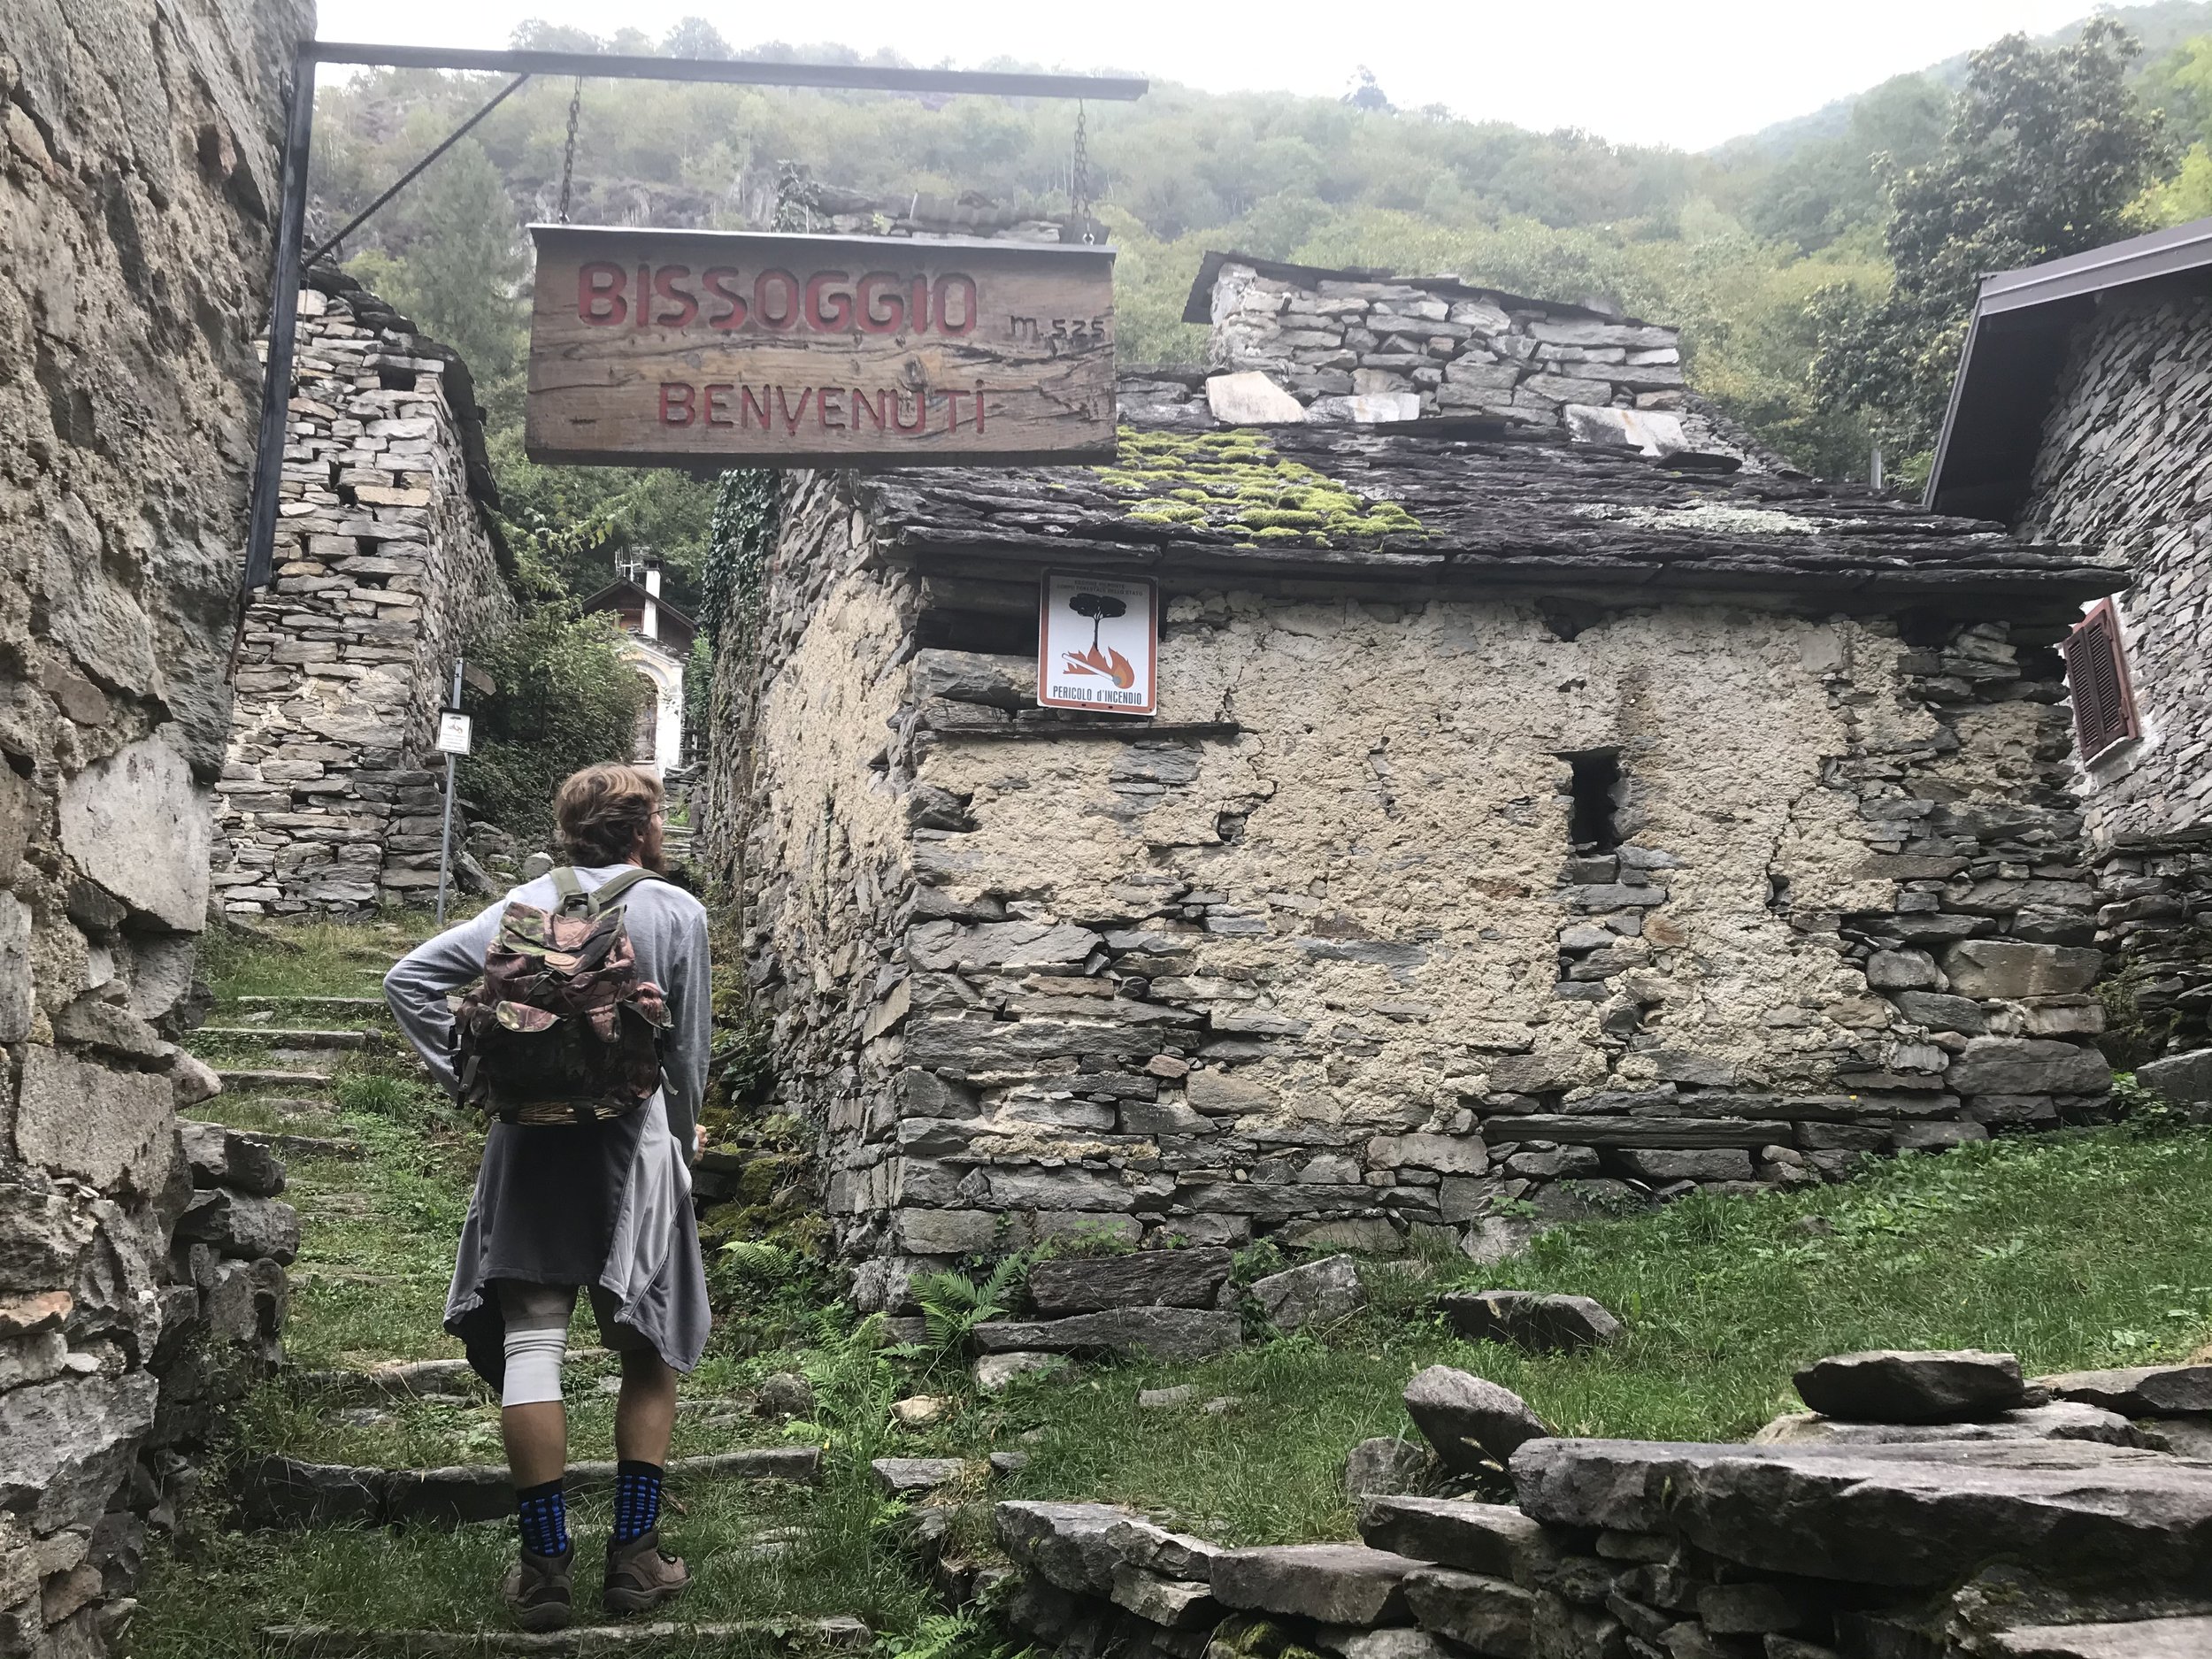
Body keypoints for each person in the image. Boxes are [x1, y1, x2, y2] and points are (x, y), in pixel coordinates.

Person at [384, 763, 712, 1631]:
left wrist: (469, 1076)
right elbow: (685, 1058)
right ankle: (635, 1565)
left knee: (532, 1344)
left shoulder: (534, 905)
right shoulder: (674, 911)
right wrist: (681, 1142)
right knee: (649, 1350)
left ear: (569, 831)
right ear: (643, 829)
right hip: (630, 1147)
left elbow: (407, 981)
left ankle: (543, 1574)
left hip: (527, 1146)